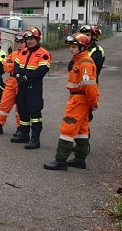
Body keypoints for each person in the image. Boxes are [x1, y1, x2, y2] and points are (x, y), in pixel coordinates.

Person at [44, 32, 99, 170]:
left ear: (82, 47)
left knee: (68, 128)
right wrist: (91, 103)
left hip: (79, 100)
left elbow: (90, 86)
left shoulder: (84, 63)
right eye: (71, 46)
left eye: (74, 47)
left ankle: (60, 160)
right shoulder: (80, 61)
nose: (71, 49)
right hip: (79, 99)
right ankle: (80, 159)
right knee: (82, 129)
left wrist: (93, 103)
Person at [11, 26, 51, 149]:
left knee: (35, 113)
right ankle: (24, 133)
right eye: (27, 39)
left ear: (38, 39)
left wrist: (27, 77)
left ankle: (35, 138)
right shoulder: (23, 52)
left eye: (32, 39)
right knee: (22, 110)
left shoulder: (44, 54)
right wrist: (18, 75)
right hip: (22, 86)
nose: (29, 41)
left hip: (34, 87)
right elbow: (16, 66)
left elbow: (42, 70)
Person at [0, 31, 27, 135]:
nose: (20, 44)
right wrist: (16, 67)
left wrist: (14, 66)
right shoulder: (13, 54)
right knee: (3, 104)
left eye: (22, 42)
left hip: (22, 82)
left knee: (20, 107)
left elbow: (19, 68)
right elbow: (6, 66)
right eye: (18, 42)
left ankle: (20, 127)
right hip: (11, 80)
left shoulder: (28, 55)